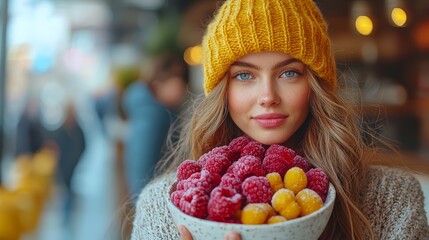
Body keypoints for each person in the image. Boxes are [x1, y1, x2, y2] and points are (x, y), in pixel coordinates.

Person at [131, 0, 429, 239]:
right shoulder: (162, 206)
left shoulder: (393, 200)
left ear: (315, 86)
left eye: (289, 73)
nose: (268, 96)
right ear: (223, 91)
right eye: (244, 75)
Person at [122, 53, 189, 200]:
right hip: (153, 198)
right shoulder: (153, 115)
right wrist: (145, 206)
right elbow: (141, 163)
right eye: (179, 83)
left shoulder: (151, 108)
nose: (184, 90)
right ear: (159, 84)